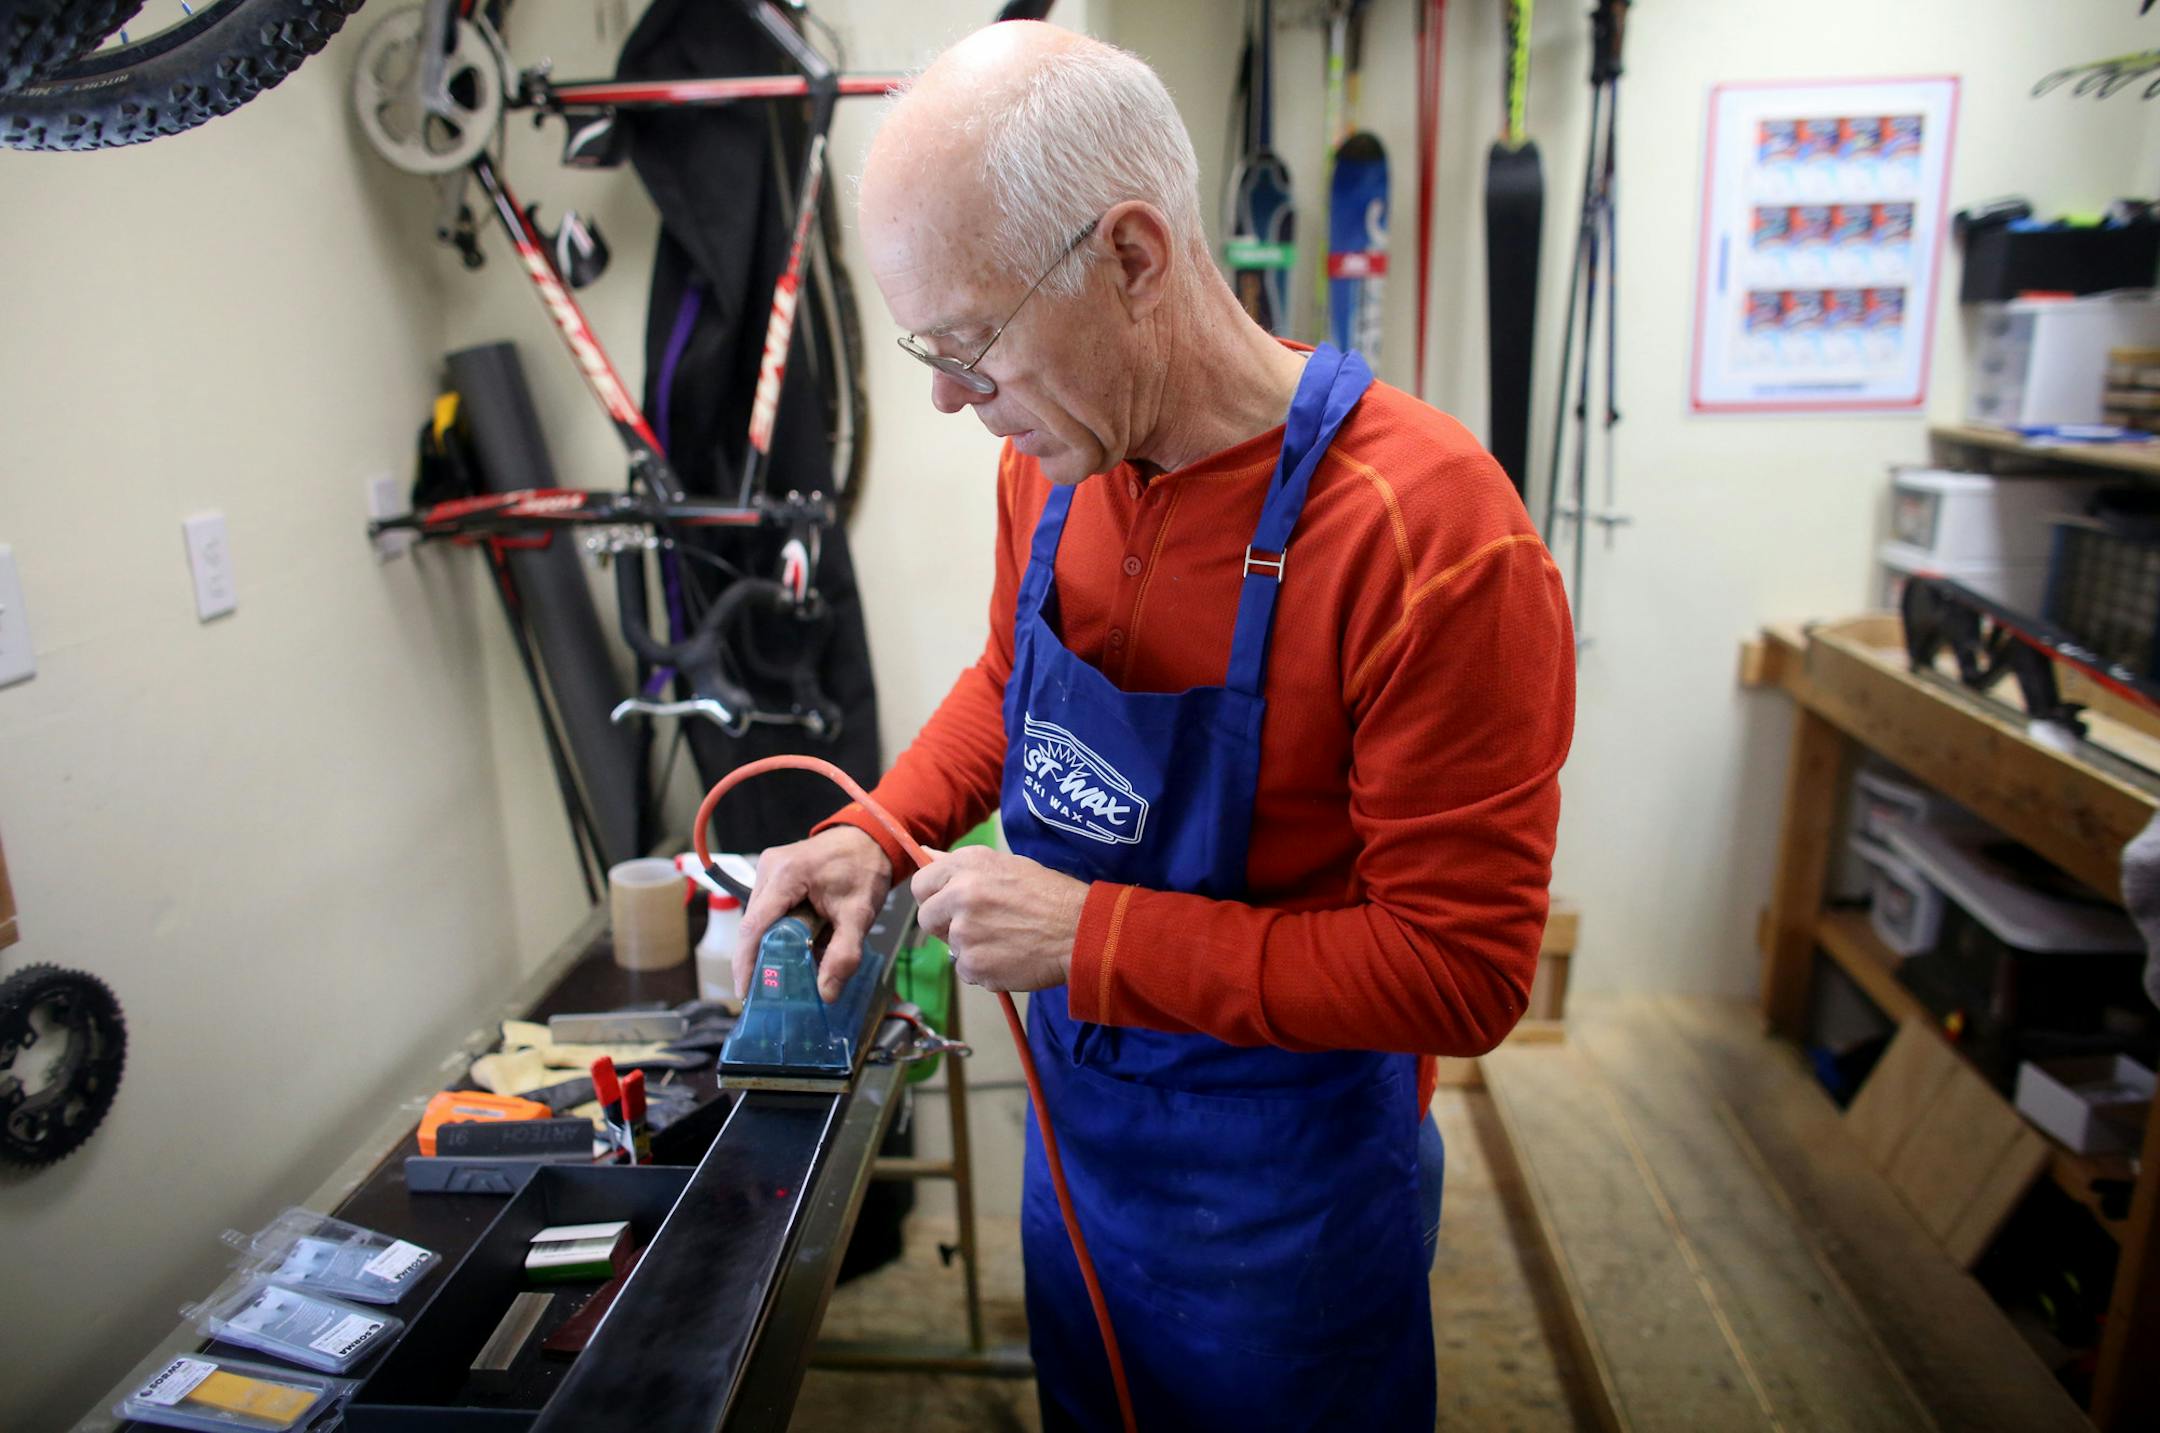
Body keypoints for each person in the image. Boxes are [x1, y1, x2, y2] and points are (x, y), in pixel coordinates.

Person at [734, 20, 1575, 1431]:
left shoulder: (1430, 535)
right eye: (919, 348)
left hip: (1288, 1218)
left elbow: (1464, 970)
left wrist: (1093, 939)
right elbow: (1012, 685)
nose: (946, 398)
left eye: (968, 342)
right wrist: (883, 828)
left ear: (1130, 256)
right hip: (1083, 1168)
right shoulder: (1054, 460)